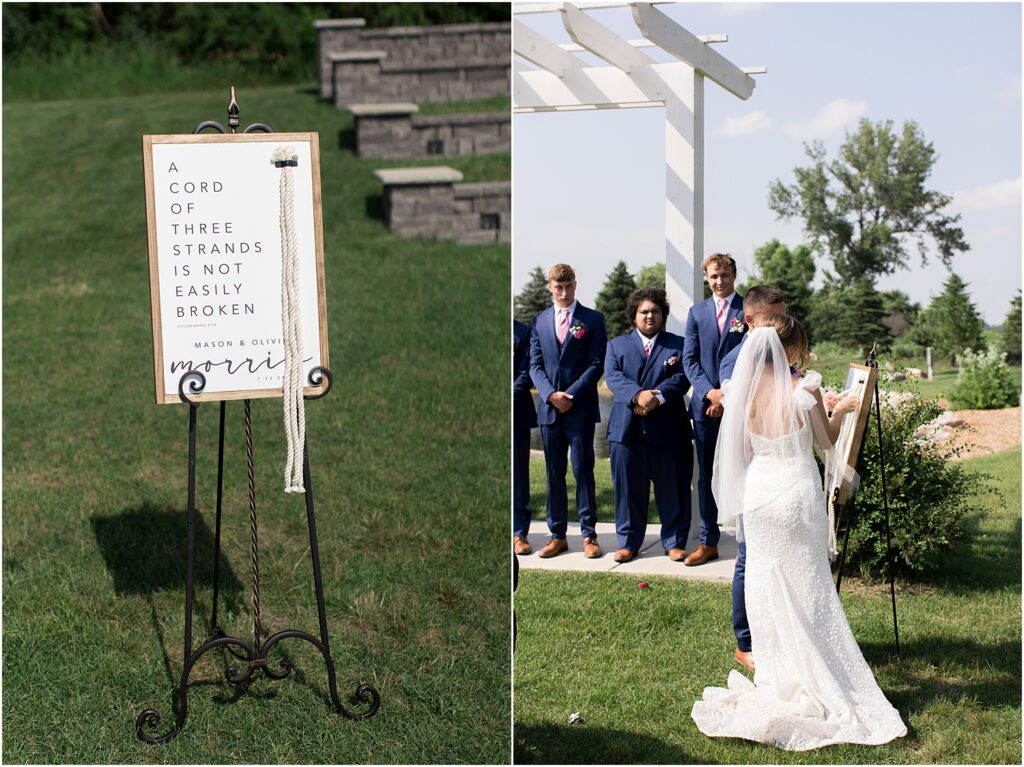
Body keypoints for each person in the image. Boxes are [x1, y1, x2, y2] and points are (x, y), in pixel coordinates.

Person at [691, 314, 907, 751]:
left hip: (758, 495)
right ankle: (818, 674)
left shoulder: (740, 394)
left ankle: (778, 674)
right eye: (802, 349)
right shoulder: (805, 391)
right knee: (808, 586)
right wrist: (841, 411)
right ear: (790, 352)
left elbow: (744, 449)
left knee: (767, 585)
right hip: (793, 493)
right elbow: (826, 444)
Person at [717, 285, 786, 671]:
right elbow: (741, 423)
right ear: (750, 320)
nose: (781, 325)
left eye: (783, 316)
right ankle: (744, 641)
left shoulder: (779, 354)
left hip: (780, 472)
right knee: (747, 556)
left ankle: (774, 631)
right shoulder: (736, 360)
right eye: (773, 318)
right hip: (752, 471)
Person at [603, 288, 693, 563]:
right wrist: (637, 396)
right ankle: (628, 542)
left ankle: (675, 542)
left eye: (655, 311)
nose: (649, 316)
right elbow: (613, 377)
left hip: (669, 429)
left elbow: (683, 376)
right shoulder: (616, 346)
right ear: (634, 316)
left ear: (663, 315)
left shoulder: (678, 345)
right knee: (628, 490)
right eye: (644, 312)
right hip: (627, 431)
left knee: (674, 488)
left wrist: (658, 397)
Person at [529, 263, 608, 558]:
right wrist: (550, 395)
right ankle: (557, 534)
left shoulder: (593, 319)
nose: (563, 292)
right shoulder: (539, 321)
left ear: (576, 284)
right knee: (553, 473)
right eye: (558, 287)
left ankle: (589, 535)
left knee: (583, 470)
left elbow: (596, 363)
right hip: (550, 410)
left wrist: (570, 394)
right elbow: (534, 365)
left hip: (580, 408)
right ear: (550, 287)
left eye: (568, 286)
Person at [681, 253, 745, 566]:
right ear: (707, 278)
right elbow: (689, 360)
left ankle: (747, 541)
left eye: (724, 276)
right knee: (706, 475)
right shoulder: (696, 313)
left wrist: (727, 397)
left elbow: (751, 358)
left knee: (744, 471)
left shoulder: (747, 310)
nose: (719, 282)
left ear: (734, 275)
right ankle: (708, 542)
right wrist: (710, 394)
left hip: (739, 407)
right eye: (713, 277)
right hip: (704, 407)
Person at [513, 320, 538, 555]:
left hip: (516, 411)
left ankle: (518, 532)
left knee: (517, 475)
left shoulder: (522, 332)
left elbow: (526, 372)